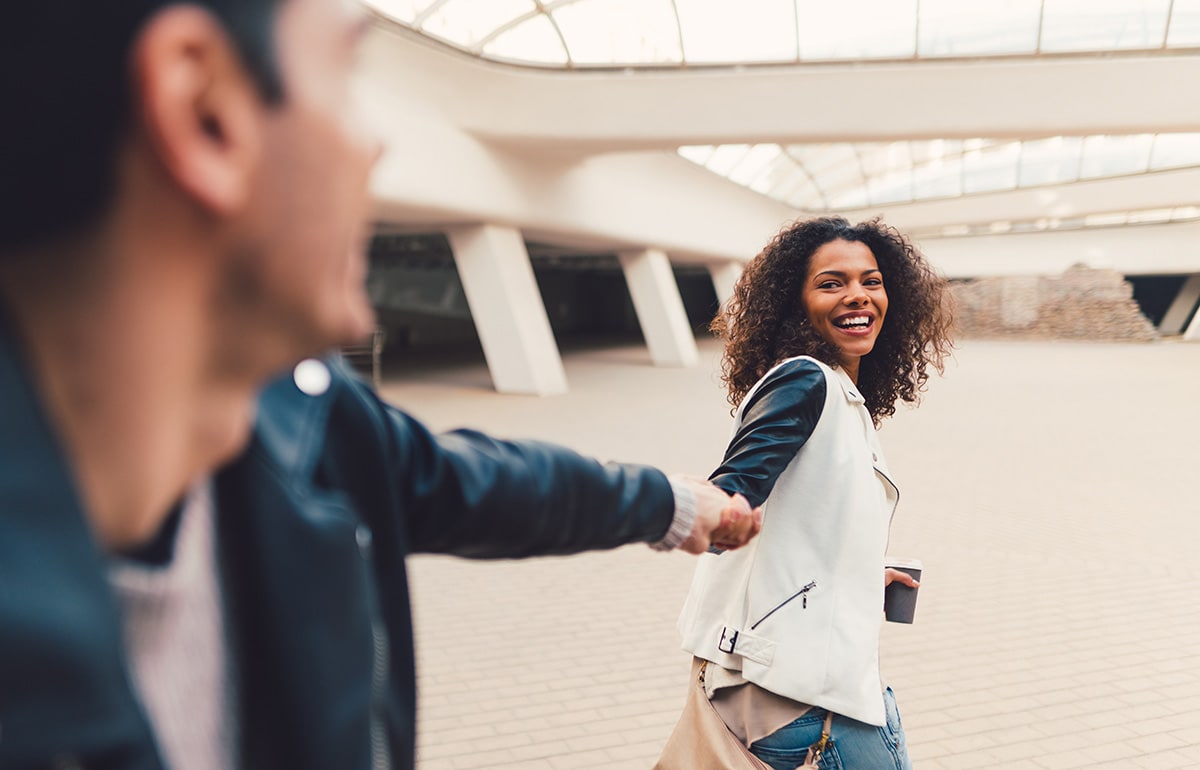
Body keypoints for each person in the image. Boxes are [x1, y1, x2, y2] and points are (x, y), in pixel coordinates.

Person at [0, 1, 762, 769]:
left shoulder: (302, 417)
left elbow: (476, 483)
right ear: (204, 114)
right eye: (346, 71)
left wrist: (670, 504)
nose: (375, 144)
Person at [673, 216, 953, 769]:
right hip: (803, 706)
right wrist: (707, 510)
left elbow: (803, 518)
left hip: (803, 689)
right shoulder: (805, 380)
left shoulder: (840, 391)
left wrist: (856, 576)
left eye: (871, 281)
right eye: (831, 283)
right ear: (794, 303)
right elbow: (734, 491)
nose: (858, 296)